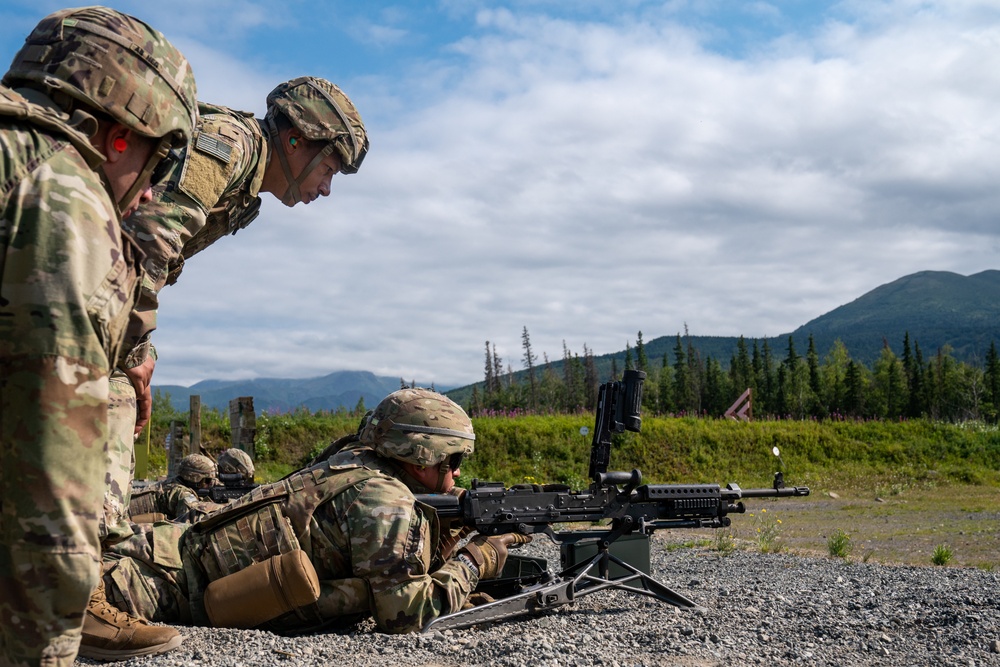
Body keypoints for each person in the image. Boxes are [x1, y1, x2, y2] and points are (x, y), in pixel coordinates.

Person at [0, 6, 197, 666]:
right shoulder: (64, 199)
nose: (149, 197)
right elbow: (52, 486)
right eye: (160, 162)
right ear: (119, 135)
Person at [100, 76, 369, 548]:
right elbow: (143, 245)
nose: (326, 189)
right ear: (296, 140)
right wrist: (136, 351)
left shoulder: (245, 184)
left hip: (82, 289)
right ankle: (89, 580)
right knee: (116, 397)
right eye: (328, 168)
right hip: (66, 282)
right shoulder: (229, 147)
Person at [101, 389, 530, 633]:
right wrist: (478, 558)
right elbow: (408, 615)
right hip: (150, 587)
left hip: (162, 551)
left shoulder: (349, 463)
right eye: (452, 461)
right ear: (421, 455)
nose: (456, 474)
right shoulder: (386, 501)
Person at [128, 454, 221, 523]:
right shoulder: (181, 494)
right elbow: (192, 524)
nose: (209, 485)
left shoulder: (172, 482)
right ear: (195, 477)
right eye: (207, 481)